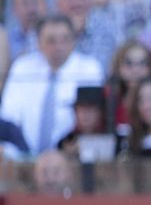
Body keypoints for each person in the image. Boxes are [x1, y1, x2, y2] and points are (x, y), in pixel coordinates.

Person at [2, 15, 106, 155]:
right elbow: (9, 116)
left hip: (71, 157)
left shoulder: (90, 68)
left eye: (65, 39)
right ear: (38, 42)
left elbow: (92, 119)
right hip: (22, 157)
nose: (58, 47)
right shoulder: (22, 67)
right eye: (51, 41)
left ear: (74, 40)